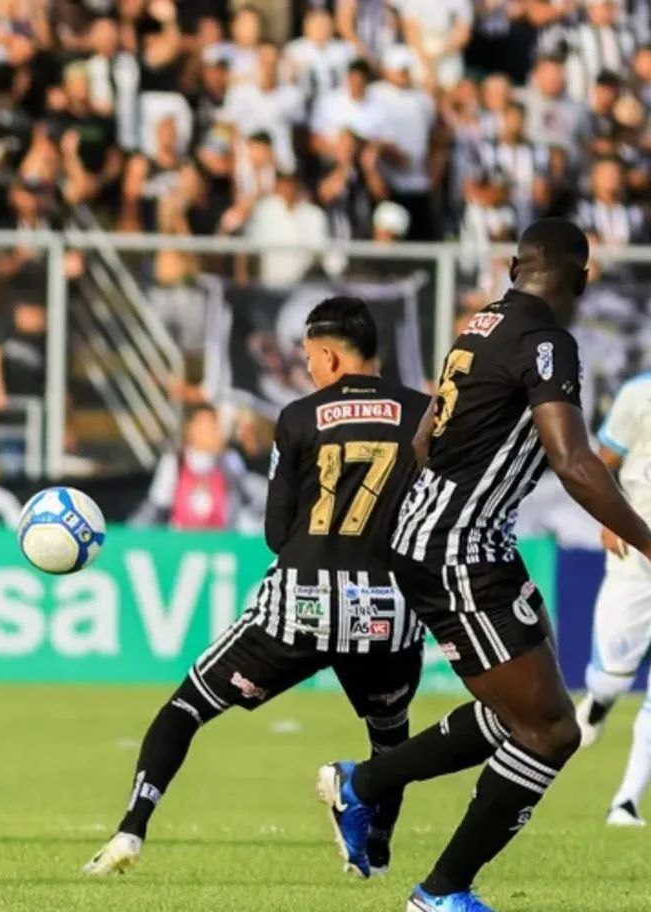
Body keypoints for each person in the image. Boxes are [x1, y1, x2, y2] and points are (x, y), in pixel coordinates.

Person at [318, 218, 651, 912]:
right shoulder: (547, 341)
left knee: (517, 714)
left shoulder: (480, 324)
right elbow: (574, 463)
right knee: (550, 731)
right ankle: (440, 892)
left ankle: (362, 785)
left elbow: (425, 436)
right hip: (459, 549)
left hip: (454, 538)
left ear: (513, 267)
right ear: (582, 278)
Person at [84, 297, 429, 876]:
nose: (307, 367)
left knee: (186, 706)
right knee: (390, 739)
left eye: (309, 357)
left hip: (303, 602)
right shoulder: (422, 414)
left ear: (329, 357)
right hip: (386, 609)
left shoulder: (299, 417)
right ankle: (376, 847)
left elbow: (275, 533)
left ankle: (130, 832)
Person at [574, 371, 651, 827]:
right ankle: (599, 703)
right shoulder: (638, 395)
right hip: (636, 558)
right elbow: (603, 462)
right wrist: (608, 519)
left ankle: (626, 801)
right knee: (611, 678)